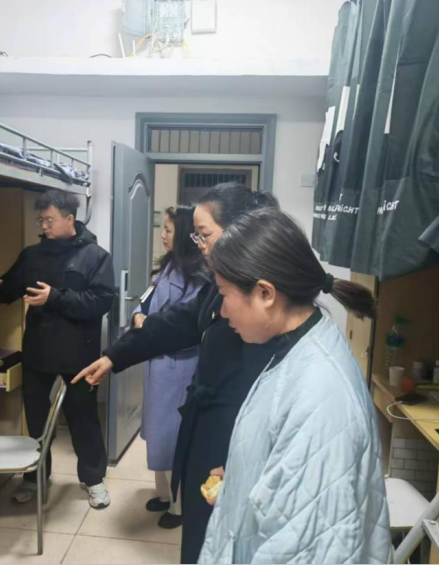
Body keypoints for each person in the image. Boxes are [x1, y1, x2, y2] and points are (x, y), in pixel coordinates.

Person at [73, 183, 281, 564]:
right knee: (200, 535)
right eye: (195, 236)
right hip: (208, 430)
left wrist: (241, 462)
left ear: (239, 232)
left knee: (220, 539)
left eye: (203, 234)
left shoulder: (262, 301)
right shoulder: (222, 285)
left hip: (231, 440)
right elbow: (178, 322)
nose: (198, 245)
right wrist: (115, 356)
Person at [198, 209, 391, 564]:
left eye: (224, 294)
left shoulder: (320, 393)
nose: (222, 312)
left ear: (265, 293)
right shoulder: (299, 345)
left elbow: (312, 549)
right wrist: (245, 474)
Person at [0, 190, 115, 509]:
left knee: (83, 419)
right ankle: (34, 477)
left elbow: (101, 302)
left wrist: (55, 297)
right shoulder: (32, 255)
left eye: (49, 220)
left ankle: (93, 480)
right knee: (37, 420)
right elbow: (10, 291)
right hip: (39, 350)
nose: (44, 226)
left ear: (70, 219)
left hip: (79, 353)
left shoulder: (95, 256)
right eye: (40, 220)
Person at [133, 206, 210, 530]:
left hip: (179, 365)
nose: (163, 235)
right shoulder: (168, 267)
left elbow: (182, 324)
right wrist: (139, 315)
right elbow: (146, 302)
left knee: (171, 438)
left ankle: (178, 507)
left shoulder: (199, 277)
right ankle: (164, 495)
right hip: (159, 362)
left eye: (168, 229)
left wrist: (148, 323)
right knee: (157, 433)